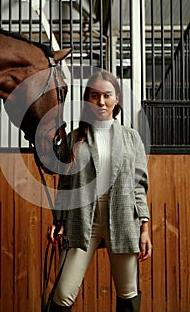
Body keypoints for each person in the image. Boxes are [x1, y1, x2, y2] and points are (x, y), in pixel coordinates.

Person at [48, 70, 152, 312]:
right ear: (87, 100)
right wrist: (58, 220)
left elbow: (140, 185)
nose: (101, 102)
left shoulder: (132, 138)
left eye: (107, 95)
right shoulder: (74, 138)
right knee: (63, 293)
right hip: (82, 220)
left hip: (124, 218)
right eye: (94, 96)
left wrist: (144, 227)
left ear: (117, 99)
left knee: (128, 293)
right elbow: (64, 185)